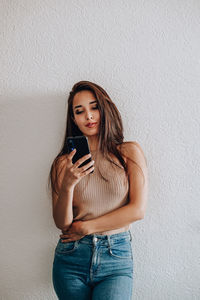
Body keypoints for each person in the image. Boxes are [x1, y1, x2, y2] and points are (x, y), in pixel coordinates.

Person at [48, 80, 148, 300]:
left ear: (105, 109)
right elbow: (62, 223)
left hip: (116, 255)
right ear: (73, 119)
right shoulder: (63, 164)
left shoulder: (129, 152)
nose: (89, 116)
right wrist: (68, 185)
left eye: (94, 107)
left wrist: (87, 227)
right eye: (79, 111)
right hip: (71, 258)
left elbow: (137, 210)